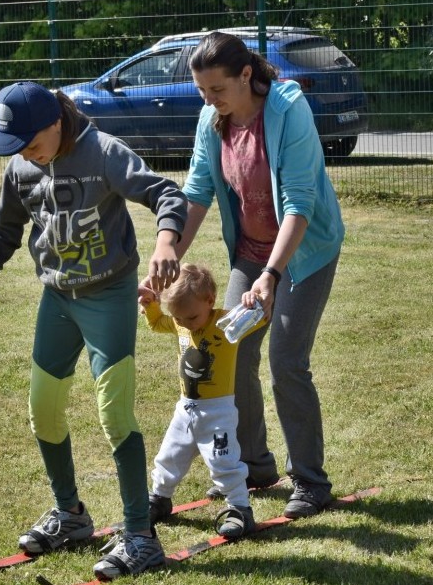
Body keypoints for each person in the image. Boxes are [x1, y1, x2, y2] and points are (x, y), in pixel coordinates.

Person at [0, 81, 187, 580]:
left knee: (114, 414)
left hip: (109, 296)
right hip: (58, 298)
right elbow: (4, 230)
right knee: (43, 410)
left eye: (29, 142)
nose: (23, 154)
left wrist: (166, 243)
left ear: (55, 122)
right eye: (14, 146)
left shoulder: (102, 153)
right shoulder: (21, 167)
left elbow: (165, 192)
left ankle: (141, 537)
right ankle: (70, 516)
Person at [146, 31, 345, 519]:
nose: (209, 100)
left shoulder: (288, 111)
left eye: (217, 90)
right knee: (232, 351)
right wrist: (169, 250)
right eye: (202, 91)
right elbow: (197, 190)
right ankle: (255, 466)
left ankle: (311, 481)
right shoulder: (210, 117)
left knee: (286, 360)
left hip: (303, 252)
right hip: (250, 252)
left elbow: (299, 203)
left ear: (246, 76)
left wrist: (272, 275)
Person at [141, 263, 268, 539]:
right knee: (168, 457)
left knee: (224, 462)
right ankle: (160, 498)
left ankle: (239, 509)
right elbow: (156, 322)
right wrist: (150, 304)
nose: (185, 324)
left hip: (217, 413)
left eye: (191, 318)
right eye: (179, 319)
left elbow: (261, 317)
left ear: (210, 301)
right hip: (185, 410)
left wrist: (252, 300)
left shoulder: (227, 324)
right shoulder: (180, 321)